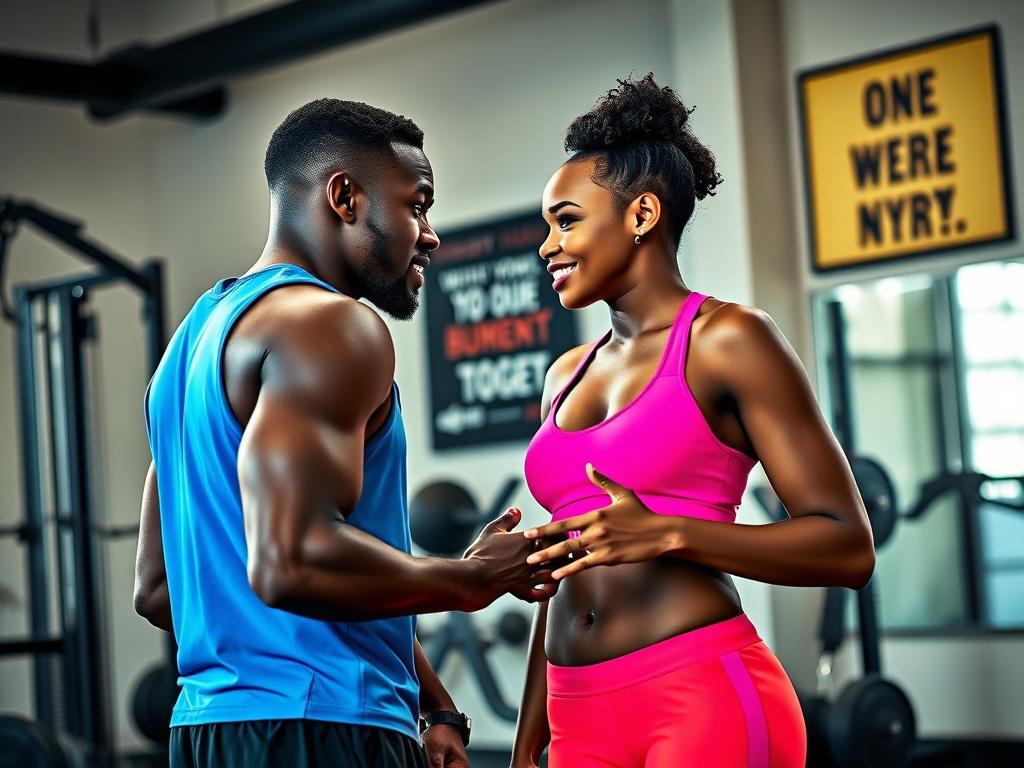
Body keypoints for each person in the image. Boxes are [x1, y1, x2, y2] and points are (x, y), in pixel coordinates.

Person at [133, 98, 556, 768]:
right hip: (322, 730)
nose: (430, 233)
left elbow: (160, 590)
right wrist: (468, 578)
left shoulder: (186, 350)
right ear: (345, 196)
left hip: (209, 732)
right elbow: (293, 562)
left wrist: (432, 699)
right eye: (417, 203)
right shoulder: (332, 327)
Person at [509, 74, 876, 768]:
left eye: (566, 220)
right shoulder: (565, 375)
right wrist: (529, 744)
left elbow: (847, 547)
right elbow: (563, 564)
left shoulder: (728, 340)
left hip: (698, 694)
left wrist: (668, 532)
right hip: (574, 709)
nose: (546, 246)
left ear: (642, 215)